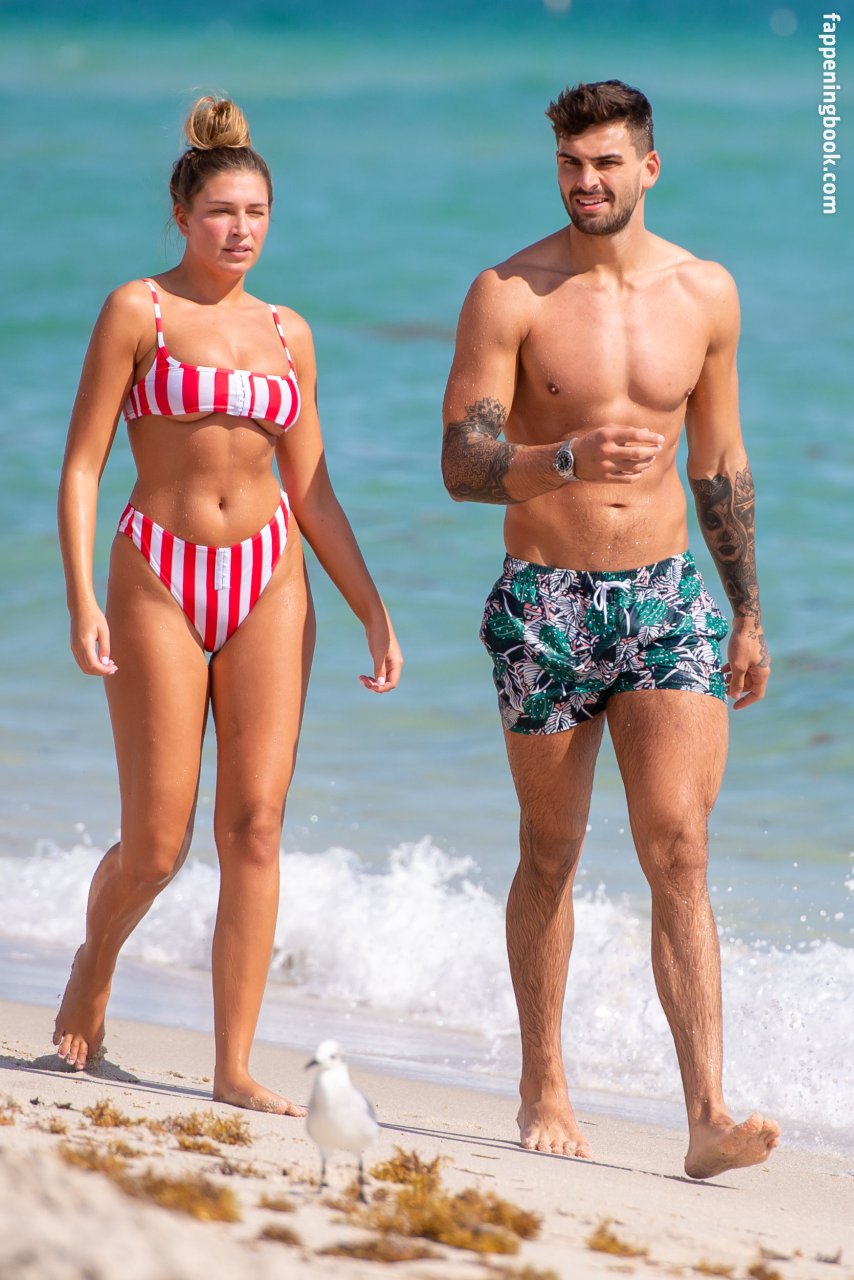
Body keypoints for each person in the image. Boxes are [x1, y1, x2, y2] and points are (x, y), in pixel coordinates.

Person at [441, 79, 779, 1179]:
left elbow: (719, 462)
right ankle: (543, 1081)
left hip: (665, 598)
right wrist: (562, 458)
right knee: (551, 849)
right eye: (569, 164)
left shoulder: (705, 293)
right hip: (546, 600)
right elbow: (461, 465)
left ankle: (707, 1113)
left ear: (648, 167)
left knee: (678, 845)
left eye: (604, 163)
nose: (585, 182)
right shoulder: (509, 294)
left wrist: (746, 613)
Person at [55, 96, 402, 1115]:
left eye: (255, 213)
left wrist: (372, 608)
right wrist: (81, 598)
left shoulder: (289, 332)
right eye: (220, 212)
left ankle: (234, 1064)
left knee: (254, 826)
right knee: (157, 845)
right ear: (182, 216)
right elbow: (82, 466)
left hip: (269, 578)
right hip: (159, 574)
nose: (239, 229)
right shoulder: (138, 311)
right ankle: (92, 966)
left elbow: (314, 491)